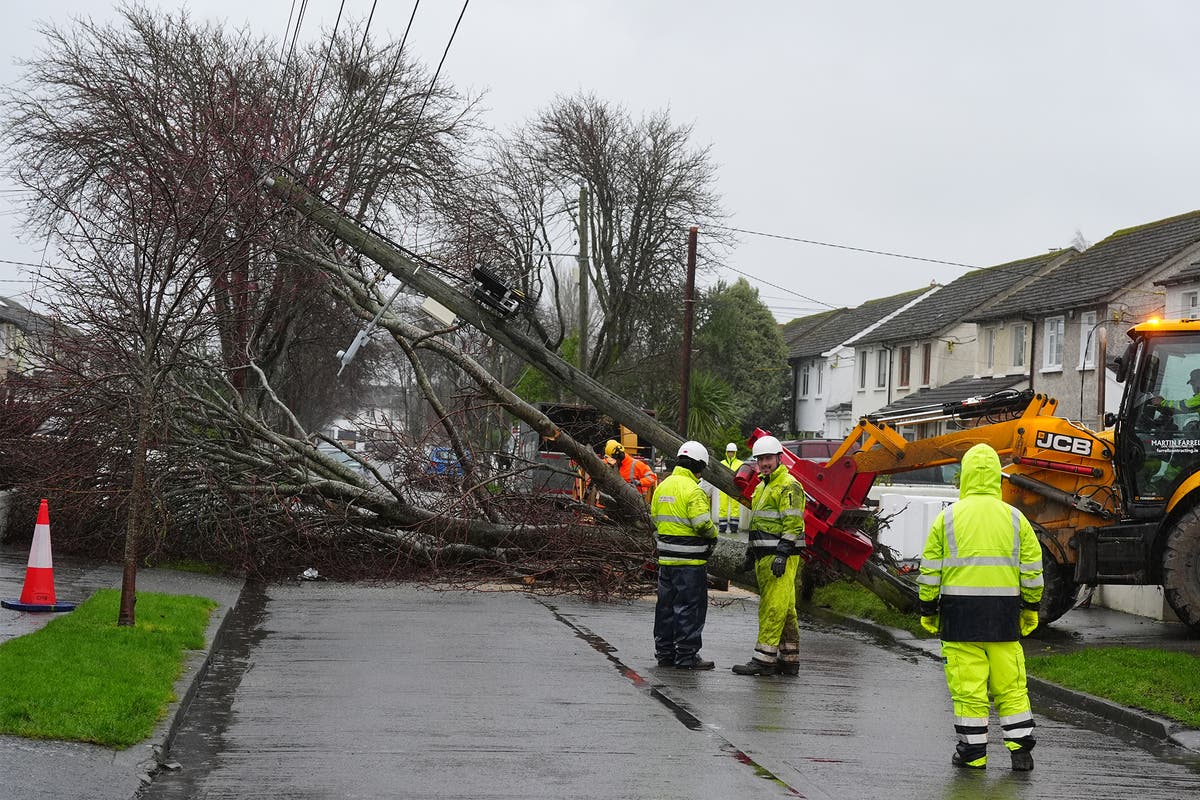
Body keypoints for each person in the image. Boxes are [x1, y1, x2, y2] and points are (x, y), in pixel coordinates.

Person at [918, 443, 1043, 771]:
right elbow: (1032, 570)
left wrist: (928, 610)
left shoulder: (947, 519)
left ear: (965, 477)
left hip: (960, 620)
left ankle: (973, 753)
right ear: (996, 479)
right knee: (1011, 686)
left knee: (968, 688)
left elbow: (930, 570)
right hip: (1004, 619)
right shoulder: (1016, 519)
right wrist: (1031, 608)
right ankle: (1021, 753)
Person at [731, 435, 805, 676]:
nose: (764, 463)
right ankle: (789, 658)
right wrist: (751, 555)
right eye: (760, 459)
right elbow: (760, 525)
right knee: (786, 608)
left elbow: (793, 525)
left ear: (779, 458)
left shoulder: (788, 486)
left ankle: (763, 660)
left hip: (779, 557)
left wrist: (782, 555)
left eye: (768, 458)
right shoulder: (764, 486)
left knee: (772, 607)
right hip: (767, 557)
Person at [650, 441, 719, 670]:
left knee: (666, 607)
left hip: (666, 561)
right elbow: (702, 525)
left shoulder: (663, 486)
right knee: (690, 608)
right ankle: (687, 656)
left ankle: (665, 653)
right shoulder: (693, 491)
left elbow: (654, 518)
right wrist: (714, 534)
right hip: (690, 564)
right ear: (699, 466)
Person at [718, 442, 744, 533]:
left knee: (735, 507)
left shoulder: (740, 464)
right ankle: (722, 526)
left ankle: (734, 527)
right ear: (726, 452)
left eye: (732, 452)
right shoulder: (722, 463)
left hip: (735, 488)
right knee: (723, 506)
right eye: (729, 452)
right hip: (724, 488)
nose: (730, 454)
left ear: (735, 453)